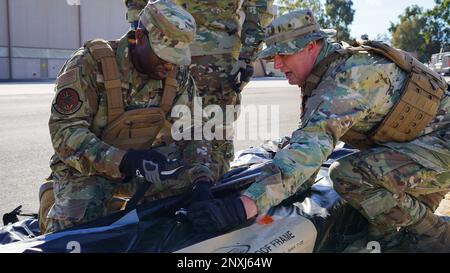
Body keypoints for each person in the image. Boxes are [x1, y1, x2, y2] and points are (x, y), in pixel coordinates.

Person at [187, 9, 450, 253]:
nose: (277, 64)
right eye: (273, 56)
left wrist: (242, 207)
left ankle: (438, 235)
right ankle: (401, 234)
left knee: (350, 176)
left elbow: (309, 151)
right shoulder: (326, 71)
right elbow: (307, 143)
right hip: (424, 147)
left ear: (312, 46)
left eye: (284, 54)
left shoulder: (349, 77)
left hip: (440, 148)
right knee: (386, 211)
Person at [39, 0, 218, 233]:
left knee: (206, 186)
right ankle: (51, 199)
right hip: (88, 170)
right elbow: (65, 133)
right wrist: (124, 161)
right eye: (163, 54)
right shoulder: (89, 64)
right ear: (139, 37)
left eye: (176, 57)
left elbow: (193, 129)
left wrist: (201, 181)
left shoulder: (177, 74)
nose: (170, 65)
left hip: (144, 167)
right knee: (77, 232)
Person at [124, 0, 273, 178]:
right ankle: (162, 191)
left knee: (213, 135)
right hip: (163, 45)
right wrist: (140, 40)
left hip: (215, 56)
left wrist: (248, 54)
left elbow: (258, 4)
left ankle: (208, 189)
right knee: (159, 130)